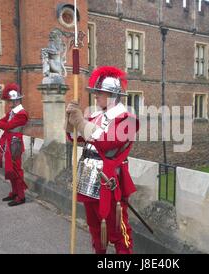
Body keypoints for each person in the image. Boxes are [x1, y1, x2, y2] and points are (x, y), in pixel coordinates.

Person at [66, 66, 140, 254]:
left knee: (118, 231)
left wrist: (82, 123)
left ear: (112, 95)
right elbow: (76, 138)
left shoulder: (128, 119)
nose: (96, 96)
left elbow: (107, 143)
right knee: (95, 228)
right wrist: (70, 120)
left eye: (100, 92)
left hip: (110, 181)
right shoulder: (96, 116)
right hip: (88, 176)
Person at [0, 83, 29, 207]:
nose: (8, 103)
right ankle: (14, 192)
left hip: (15, 143)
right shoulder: (12, 112)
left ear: (16, 100)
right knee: (10, 169)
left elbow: (7, 126)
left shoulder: (22, 114)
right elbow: (2, 121)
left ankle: (21, 196)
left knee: (17, 170)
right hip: (9, 140)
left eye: (10, 101)